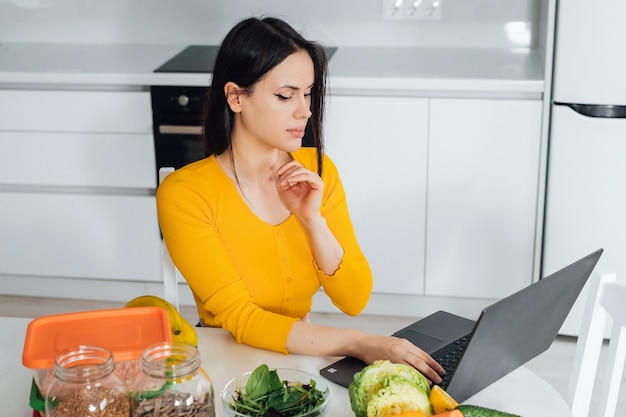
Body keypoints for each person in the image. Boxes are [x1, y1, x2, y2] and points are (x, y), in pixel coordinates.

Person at [156, 16, 444, 384]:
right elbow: (241, 319)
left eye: (307, 93)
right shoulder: (185, 193)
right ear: (235, 97)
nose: (304, 110)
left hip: (300, 358)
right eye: (284, 95)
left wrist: (312, 221)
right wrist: (361, 344)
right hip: (224, 362)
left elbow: (354, 300)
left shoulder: (316, 171)